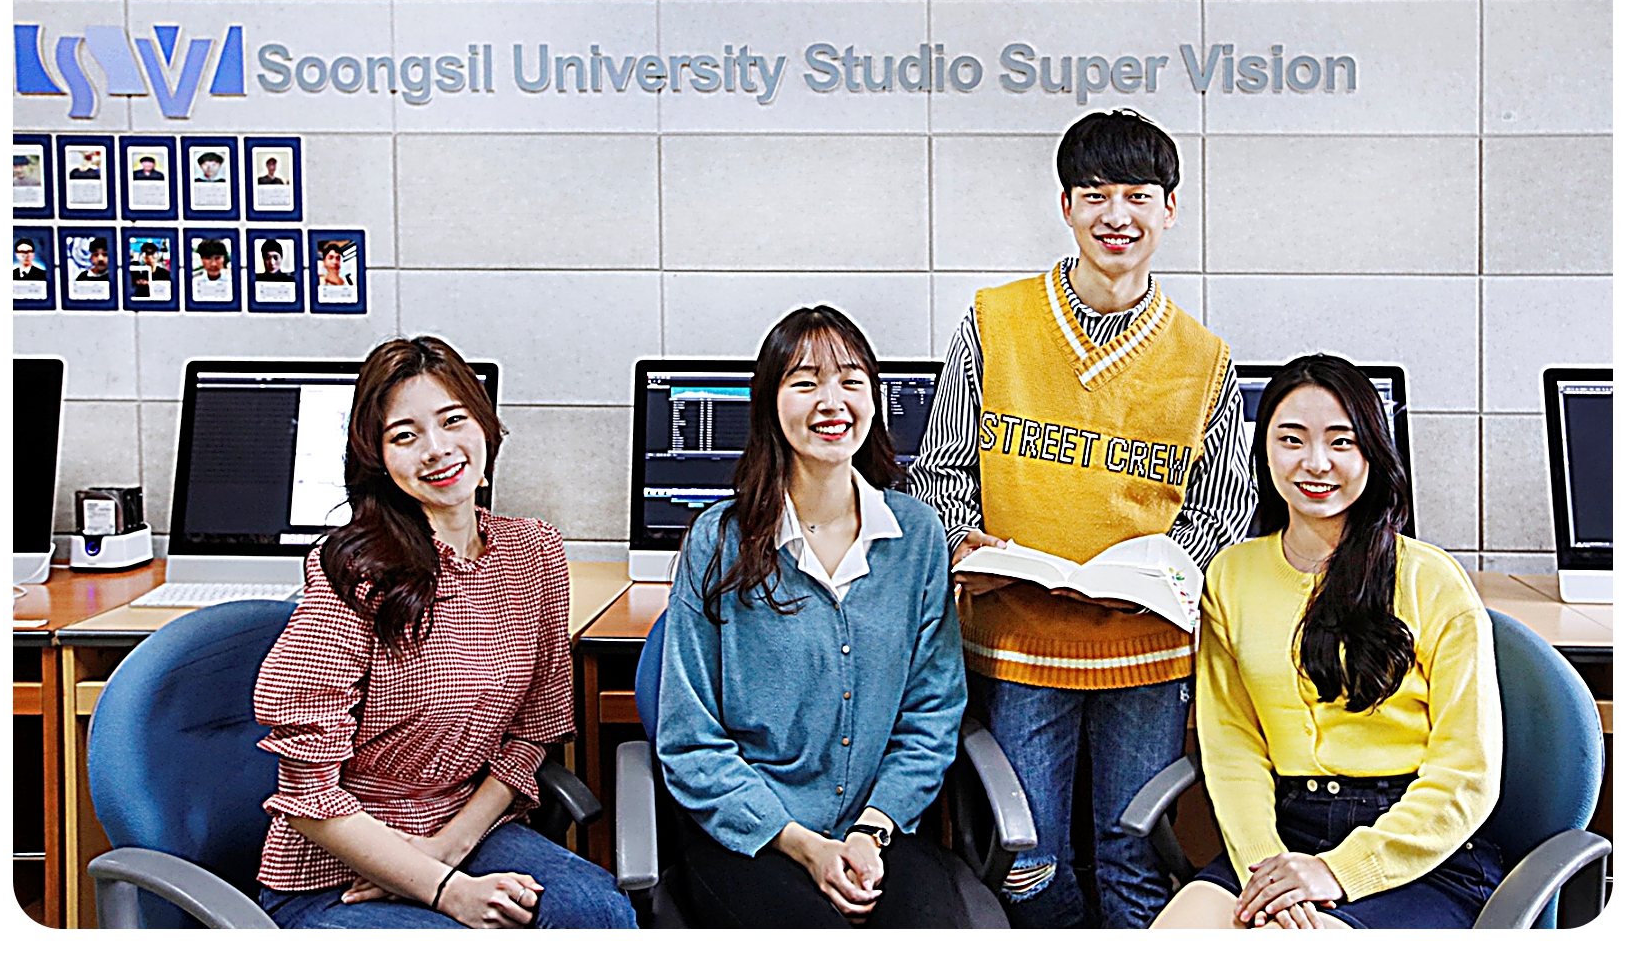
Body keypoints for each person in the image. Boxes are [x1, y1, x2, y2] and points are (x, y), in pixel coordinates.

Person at [907, 109, 1256, 928]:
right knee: (1028, 864)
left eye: (1138, 194)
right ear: (1065, 206)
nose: (1116, 215)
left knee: (1133, 860)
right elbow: (940, 473)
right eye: (1095, 194)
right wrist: (964, 537)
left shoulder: (1204, 358)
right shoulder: (995, 322)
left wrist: (1157, 573)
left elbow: (1222, 509)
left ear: (1170, 208)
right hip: (1021, 640)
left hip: (1145, 651)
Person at [252, 336, 637, 929]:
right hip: (341, 866)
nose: (436, 449)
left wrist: (449, 850)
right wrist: (444, 890)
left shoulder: (533, 552)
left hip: (465, 832)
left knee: (597, 913)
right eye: (405, 435)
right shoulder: (354, 571)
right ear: (377, 456)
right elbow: (307, 795)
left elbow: (531, 733)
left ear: (485, 425)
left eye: (453, 420)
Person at [1152, 354, 1503, 930]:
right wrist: (1267, 867)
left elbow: (1467, 775)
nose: (1315, 463)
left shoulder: (1431, 580)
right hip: (1284, 836)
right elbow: (1233, 748)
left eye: (1342, 442)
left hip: (1415, 846)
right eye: (1291, 439)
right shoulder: (1230, 576)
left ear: (1372, 452)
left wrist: (1338, 871)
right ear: (1263, 449)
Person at [657, 306, 969, 928]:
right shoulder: (718, 541)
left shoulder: (917, 536)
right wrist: (806, 846)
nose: (832, 401)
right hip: (751, 834)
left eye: (851, 381)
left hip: (876, 831)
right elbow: (689, 738)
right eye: (805, 383)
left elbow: (931, 714)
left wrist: (870, 832)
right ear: (769, 404)